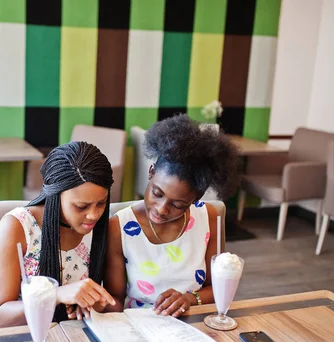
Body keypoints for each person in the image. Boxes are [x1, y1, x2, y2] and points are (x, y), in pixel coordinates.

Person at [101, 114, 240, 318]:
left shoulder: (208, 218)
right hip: (141, 324)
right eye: (157, 193)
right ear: (151, 172)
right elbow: (116, 299)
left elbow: (217, 287)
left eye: (178, 204)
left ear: (196, 198)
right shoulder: (118, 227)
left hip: (194, 322)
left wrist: (189, 299)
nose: (161, 209)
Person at [0, 141, 116, 331]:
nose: (94, 215)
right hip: (3, 339)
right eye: (81, 206)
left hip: (61, 335)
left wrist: (94, 302)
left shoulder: (102, 228)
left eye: (101, 203)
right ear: (55, 195)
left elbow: (111, 303)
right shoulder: (18, 226)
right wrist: (55, 295)